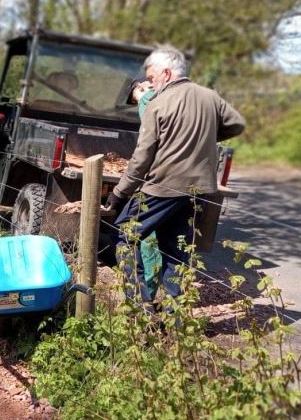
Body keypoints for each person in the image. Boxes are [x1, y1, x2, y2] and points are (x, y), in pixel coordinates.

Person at [104, 46, 245, 303]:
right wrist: (204, 138)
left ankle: (140, 306)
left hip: (163, 188)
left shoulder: (157, 105)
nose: (151, 84)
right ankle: (174, 315)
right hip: (198, 191)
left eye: (153, 78)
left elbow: (142, 158)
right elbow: (236, 123)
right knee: (176, 250)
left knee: (125, 235)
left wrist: (119, 192)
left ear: (166, 73)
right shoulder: (209, 96)